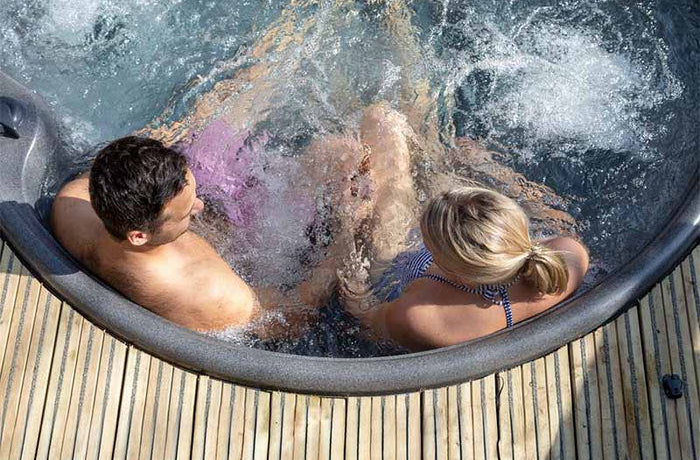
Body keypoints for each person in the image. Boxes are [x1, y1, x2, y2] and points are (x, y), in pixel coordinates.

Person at [338, 106, 589, 351]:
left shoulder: (422, 316)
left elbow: (364, 317)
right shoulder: (569, 257)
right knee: (433, 157)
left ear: (448, 267)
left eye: (429, 238)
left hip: (396, 262)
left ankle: (420, 108)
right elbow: (558, 221)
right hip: (469, 249)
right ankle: (423, 118)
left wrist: (347, 229)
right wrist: (492, 168)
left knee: (380, 121)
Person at [50, 135, 354, 335]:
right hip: (257, 257)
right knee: (345, 153)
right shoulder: (214, 294)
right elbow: (293, 317)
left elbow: (119, 170)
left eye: (192, 193)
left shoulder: (72, 204)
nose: (200, 205)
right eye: (186, 212)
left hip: (206, 238)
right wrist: (347, 236)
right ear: (139, 236)